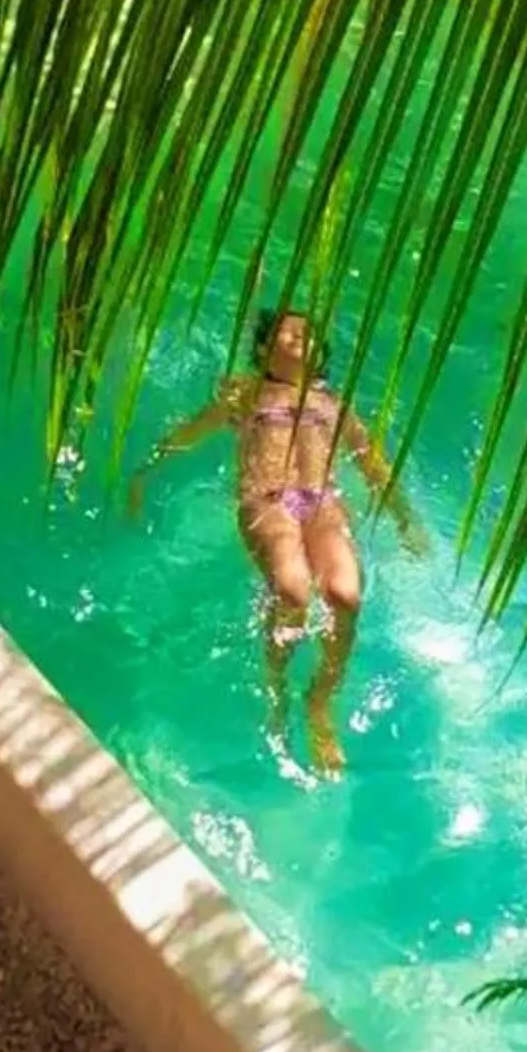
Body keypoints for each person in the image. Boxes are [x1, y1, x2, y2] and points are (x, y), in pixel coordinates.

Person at [129, 307, 424, 775]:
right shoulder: (248, 393)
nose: (300, 337)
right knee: (292, 590)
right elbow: (191, 432)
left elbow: (372, 464)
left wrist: (405, 520)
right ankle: (277, 685)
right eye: (287, 333)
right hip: (268, 500)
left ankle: (319, 701)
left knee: (345, 594)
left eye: (309, 334)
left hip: (322, 504)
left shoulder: (335, 405)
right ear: (265, 349)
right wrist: (146, 472)